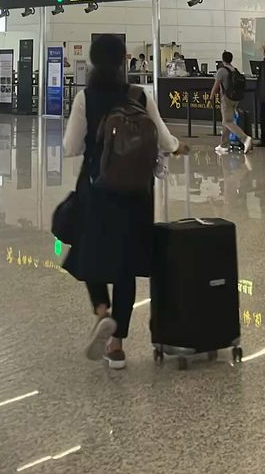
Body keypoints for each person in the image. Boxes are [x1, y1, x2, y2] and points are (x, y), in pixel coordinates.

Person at [63, 32, 186, 370]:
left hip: (96, 190)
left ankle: (102, 311)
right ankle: (116, 346)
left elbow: (71, 147)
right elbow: (164, 139)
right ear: (123, 60)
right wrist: (178, 147)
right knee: (125, 267)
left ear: (92, 60)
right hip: (136, 193)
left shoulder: (86, 97)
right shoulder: (140, 95)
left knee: (88, 253)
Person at [209, 50, 252, 155]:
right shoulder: (235, 70)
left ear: (223, 59)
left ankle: (245, 138)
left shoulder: (221, 71)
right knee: (227, 120)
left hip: (227, 98)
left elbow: (216, 86)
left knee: (227, 122)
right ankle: (224, 144)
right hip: (235, 99)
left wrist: (211, 98)